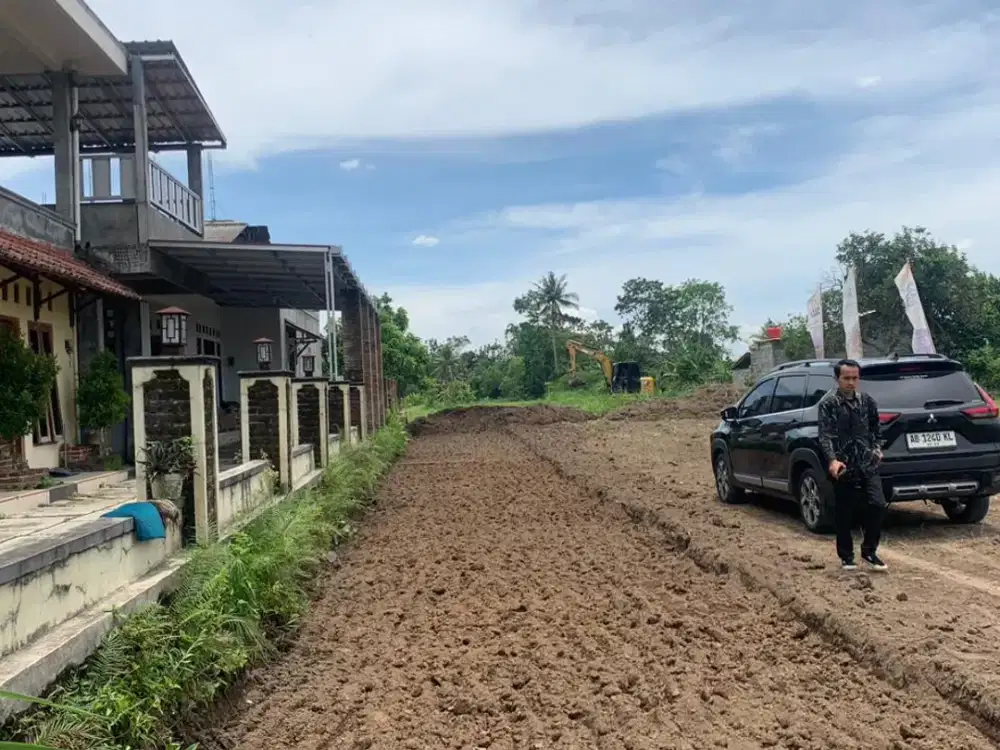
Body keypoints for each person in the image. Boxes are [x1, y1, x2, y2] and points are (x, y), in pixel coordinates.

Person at [817, 358, 889, 572]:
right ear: (837, 378)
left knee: (877, 504)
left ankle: (869, 550)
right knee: (844, 512)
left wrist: (877, 449)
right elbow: (825, 435)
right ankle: (846, 556)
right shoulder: (828, 404)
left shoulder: (867, 401)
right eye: (846, 378)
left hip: (867, 463)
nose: (851, 382)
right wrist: (832, 459)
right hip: (843, 465)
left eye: (854, 378)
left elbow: (877, 430)